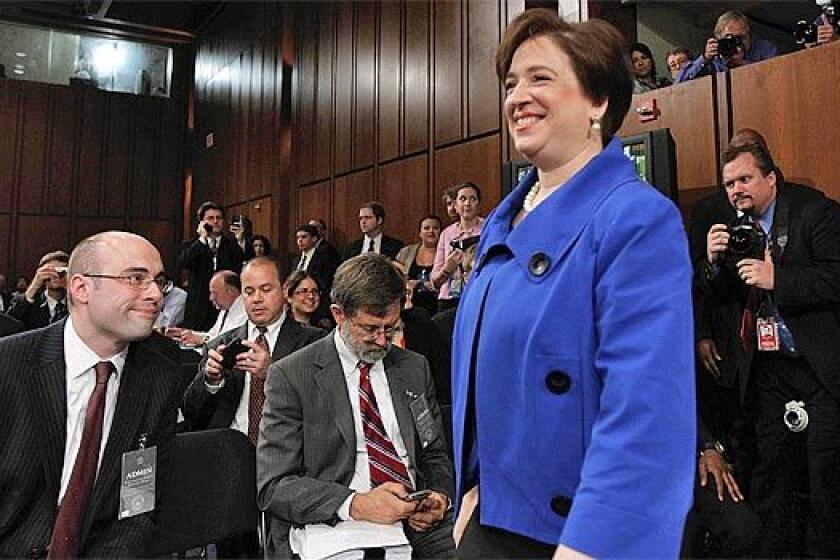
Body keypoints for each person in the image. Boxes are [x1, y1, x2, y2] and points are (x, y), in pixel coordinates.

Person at [451, 9, 695, 558]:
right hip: (494, 524)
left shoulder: (636, 219)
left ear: (598, 102)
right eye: (511, 83)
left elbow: (647, 414)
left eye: (541, 78)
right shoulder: (500, 226)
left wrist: (594, 544)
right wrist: (475, 488)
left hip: (577, 536)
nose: (517, 96)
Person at [258, 254, 455, 559]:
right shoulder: (292, 375)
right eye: (370, 328)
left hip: (417, 524)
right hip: (338, 525)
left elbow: (433, 452)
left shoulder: (413, 368)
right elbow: (274, 486)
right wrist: (355, 504)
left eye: (391, 328)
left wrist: (439, 496)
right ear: (338, 314)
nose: (382, 341)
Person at [0, 231, 181, 557]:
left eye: (159, 281)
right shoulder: (8, 365)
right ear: (81, 288)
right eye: (136, 278)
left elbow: (137, 505)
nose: (155, 294)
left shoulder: (160, 378)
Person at [702, 136, 840, 558]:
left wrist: (778, 280)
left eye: (744, 179)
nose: (736, 190)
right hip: (767, 372)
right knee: (771, 479)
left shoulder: (817, 213)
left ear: (771, 179)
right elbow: (720, 296)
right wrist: (710, 262)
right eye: (729, 184)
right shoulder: (735, 229)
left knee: (824, 483)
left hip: (819, 371)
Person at [182, 257, 323, 438]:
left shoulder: (313, 343)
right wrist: (211, 381)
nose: (257, 299)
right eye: (249, 292)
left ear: (285, 290)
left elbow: (321, 407)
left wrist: (273, 373)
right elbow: (191, 415)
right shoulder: (220, 345)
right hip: (230, 450)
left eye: (266, 290)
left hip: (287, 451)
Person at [180, 201, 245, 331]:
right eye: (210, 218)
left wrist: (240, 240)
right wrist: (202, 240)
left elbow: (240, 266)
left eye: (218, 218)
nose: (215, 222)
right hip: (198, 303)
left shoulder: (231, 245)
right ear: (202, 222)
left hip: (224, 303)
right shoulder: (193, 244)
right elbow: (184, 262)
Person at [677, 11, 778, 83]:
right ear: (718, 38)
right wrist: (705, 58)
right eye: (729, 38)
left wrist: (742, 63)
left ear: (749, 36)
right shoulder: (713, 59)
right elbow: (678, 85)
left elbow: (777, 76)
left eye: (741, 37)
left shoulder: (764, 49)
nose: (737, 43)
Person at [431, 183, 484, 312]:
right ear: (455, 205)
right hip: (449, 300)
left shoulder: (489, 228)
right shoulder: (447, 234)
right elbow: (435, 283)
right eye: (463, 199)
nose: (467, 203)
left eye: (473, 199)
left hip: (479, 296)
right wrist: (447, 270)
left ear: (478, 204)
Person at [167, 270, 247, 348]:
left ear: (231, 291)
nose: (211, 298)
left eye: (214, 293)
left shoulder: (244, 312)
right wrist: (188, 334)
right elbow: (213, 335)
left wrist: (202, 339)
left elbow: (227, 343)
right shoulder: (225, 309)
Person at [7, 250, 70, 330]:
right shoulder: (31, 303)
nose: (57, 275)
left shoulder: (77, 304)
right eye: (50, 272)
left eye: (62, 272)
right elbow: (8, 323)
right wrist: (34, 286)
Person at [396, 215, 442, 317]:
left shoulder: (446, 253)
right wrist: (408, 284)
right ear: (420, 233)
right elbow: (395, 277)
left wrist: (437, 285)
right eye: (426, 228)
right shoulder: (406, 252)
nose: (431, 231)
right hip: (410, 307)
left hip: (438, 307)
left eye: (435, 228)